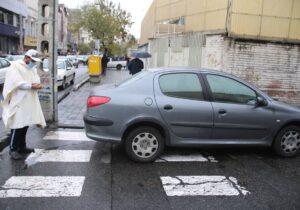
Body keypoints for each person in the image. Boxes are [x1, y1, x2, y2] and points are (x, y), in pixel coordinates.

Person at [2, 49, 46, 160]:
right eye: (32, 60)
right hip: (18, 101)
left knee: (25, 123)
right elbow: (17, 82)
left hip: (29, 100)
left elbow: (35, 79)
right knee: (17, 124)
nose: (33, 63)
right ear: (26, 57)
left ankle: (22, 146)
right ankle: (13, 149)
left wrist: (38, 84)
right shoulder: (15, 66)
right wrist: (32, 86)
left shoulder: (31, 68)